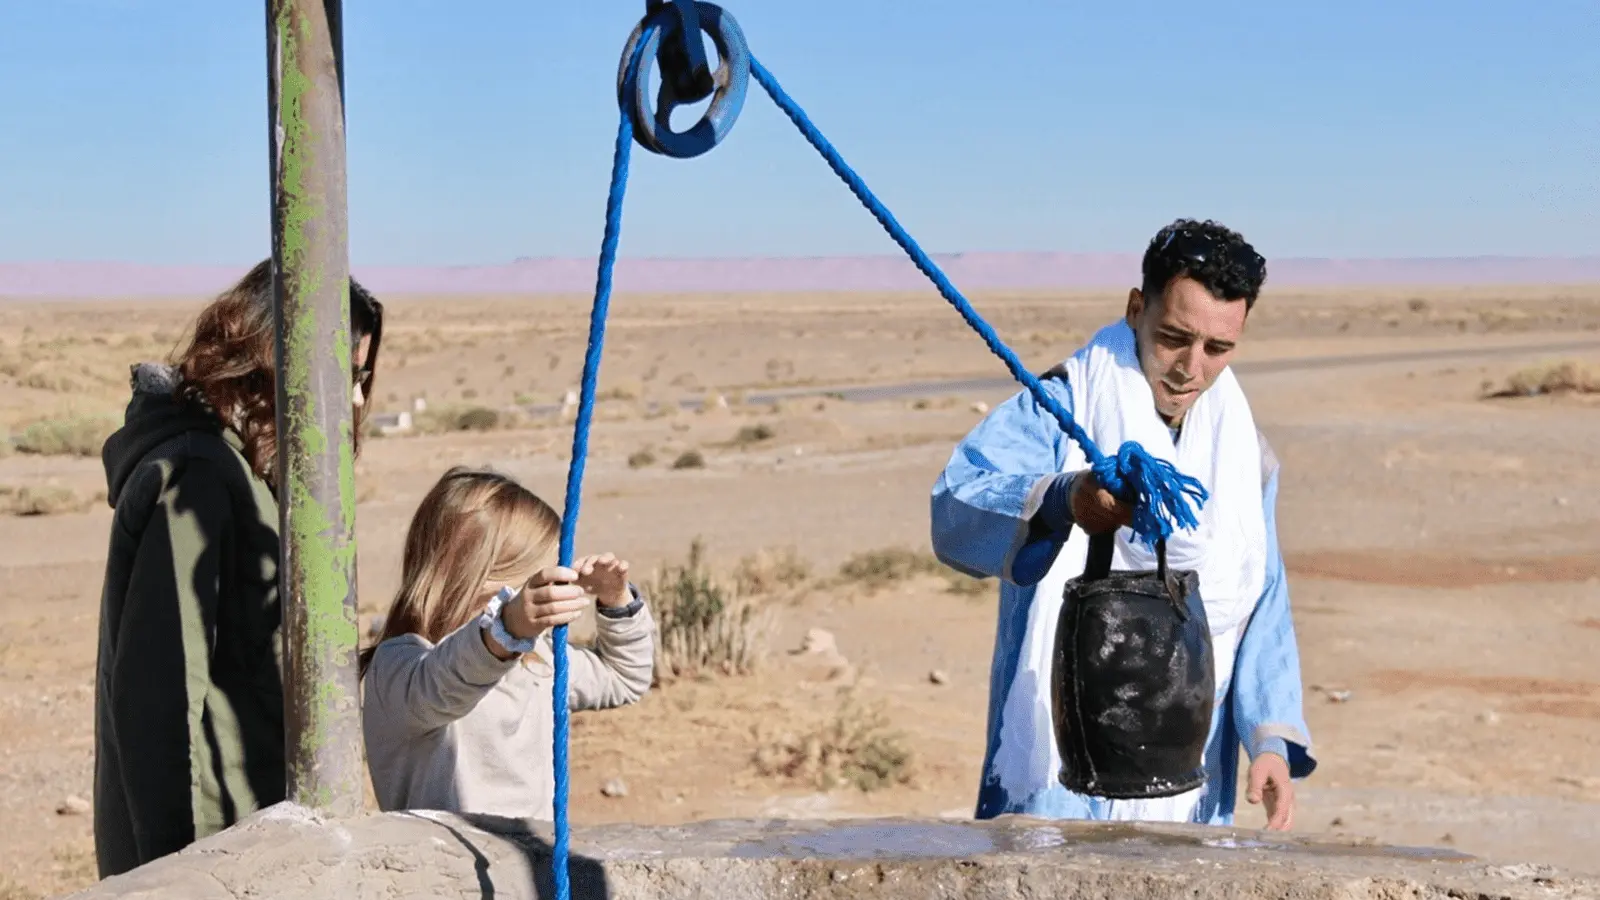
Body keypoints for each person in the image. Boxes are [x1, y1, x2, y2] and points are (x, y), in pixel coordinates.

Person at [930, 218, 1316, 830]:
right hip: (1055, 780)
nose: (1191, 368)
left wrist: (1268, 739)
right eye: (1173, 337)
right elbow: (954, 507)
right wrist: (1062, 500)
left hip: (1191, 782)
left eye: (1218, 349)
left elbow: (1262, 596)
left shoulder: (1246, 453)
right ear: (1137, 308)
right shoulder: (1058, 411)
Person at [93, 259, 384, 878]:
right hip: (207, 852)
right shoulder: (199, 479)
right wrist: (177, 876)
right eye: (346, 376)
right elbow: (158, 699)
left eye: (363, 379)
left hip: (251, 842)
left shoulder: (245, 474)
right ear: (272, 364)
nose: (358, 399)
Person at [360, 467, 655, 820]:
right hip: (444, 871)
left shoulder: (536, 662)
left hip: (530, 865)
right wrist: (506, 628)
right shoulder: (399, 669)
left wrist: (616, 600)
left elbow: (623, 678)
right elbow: (444, 686)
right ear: (476, 580)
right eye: (535, 586)